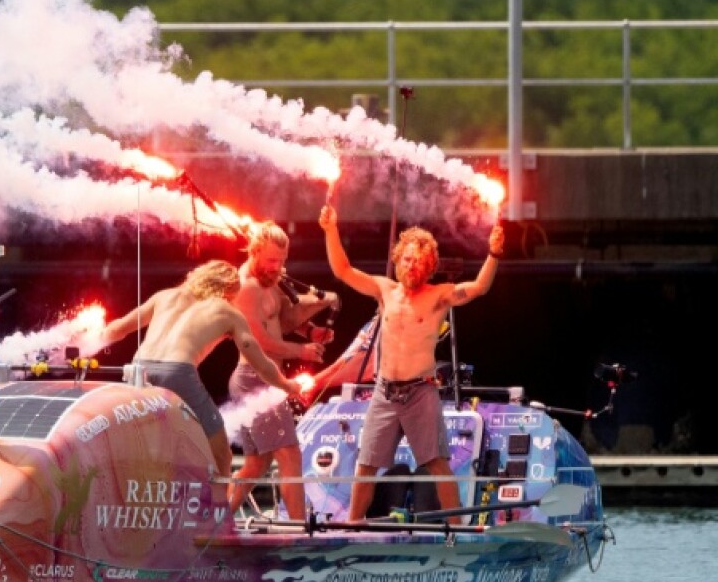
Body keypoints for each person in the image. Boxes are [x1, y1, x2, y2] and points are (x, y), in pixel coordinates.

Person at [319, 201, 504, 521]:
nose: (412, 266)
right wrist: (330, 229)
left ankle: (455, 530)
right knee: (366, 463)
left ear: (430, 266)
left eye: (419, 261)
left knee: (437, 464)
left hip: (420, 392)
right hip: (385, 392)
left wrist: (494, 254)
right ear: (397, 260)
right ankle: (352, 526)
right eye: (407, 259)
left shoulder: (439, 296)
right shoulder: (384, 290)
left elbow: (478, 288)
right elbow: (343, 270)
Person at [98, 259, 301, 479]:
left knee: (147, 445)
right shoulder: (227, 312)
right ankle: (218, 510)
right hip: (177, 372)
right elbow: (260, 363)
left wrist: (90, 340)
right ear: (229, 290)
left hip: (137, 370)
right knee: (221, 452)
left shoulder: (166, 296)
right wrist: (286, 384)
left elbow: (117, 329)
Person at [227, 221, 340, 521]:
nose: (277, 267)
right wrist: (301, 351)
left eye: (281, 261)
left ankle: (217, 520)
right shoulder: (246, 287)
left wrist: (311, 331)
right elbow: (259, 342)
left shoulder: (267, 281)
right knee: (289, 454)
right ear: (254, 252)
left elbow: (282, 318)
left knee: (256, 463)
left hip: (263, 380)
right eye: (271, 260)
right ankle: (299, 529)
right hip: (255, 379)